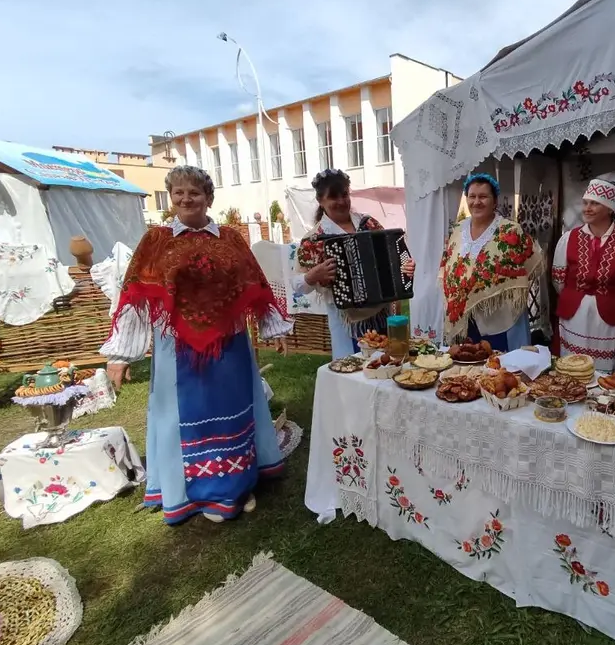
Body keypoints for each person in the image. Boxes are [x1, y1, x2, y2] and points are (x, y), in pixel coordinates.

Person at [101, 165, 290, 525]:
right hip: (176, 347)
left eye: (194, 192)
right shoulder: (156, 241)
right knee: (180, 415)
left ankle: (236, 485)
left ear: (209, 198)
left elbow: (256, 284)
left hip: (229, 343)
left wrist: (273, 327)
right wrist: (120, 354)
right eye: (179, 193)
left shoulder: (230, 239)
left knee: (233, 409)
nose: (186, 199)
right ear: (171, 198)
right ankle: (186, 493)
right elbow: (134, 295)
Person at [293, 168, 415, 359]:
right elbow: (297, 285)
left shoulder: (368, 224)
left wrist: (405, 268)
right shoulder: (314, 240)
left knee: (387, 364)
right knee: (353, 366)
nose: (341, 201)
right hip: (345, 321)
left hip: (383, 314)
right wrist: (312, 276)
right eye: (333, 197)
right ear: (320, 201)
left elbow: (395, 257)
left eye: (344, 195)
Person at [552, 178, 615, 373]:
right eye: (585, 202)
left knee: (606, 371)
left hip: (611, 319)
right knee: (572, 367)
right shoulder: (569, 238)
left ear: (610, 208)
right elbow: (559, 280)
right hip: (575, 316)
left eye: (595, 203)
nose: (587, 208)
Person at [439, 172, 543, 351]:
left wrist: (500, 287)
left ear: (494, 202)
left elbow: (530, 262)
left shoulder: (510, 230)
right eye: (472, 196)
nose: (476, 202)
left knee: (501, 364)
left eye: (483, 197)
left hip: (500, 317)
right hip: (466, 317)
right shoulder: (457, 230)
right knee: (469, 361)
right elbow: (449, 266)